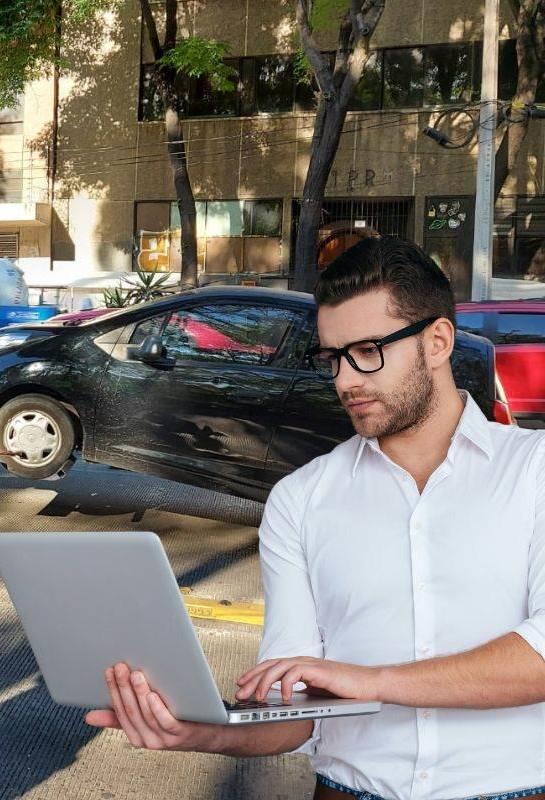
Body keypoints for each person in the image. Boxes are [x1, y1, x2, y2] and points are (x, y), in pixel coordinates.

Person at [87, 237, 545, 800]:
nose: (345, 380)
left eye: (368, 351)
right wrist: (203, 730)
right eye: (333, 357)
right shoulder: (300, 499)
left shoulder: (534, 471)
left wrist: (371, 681)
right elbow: (296, 716)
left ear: (437, 342)